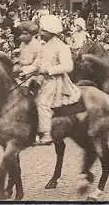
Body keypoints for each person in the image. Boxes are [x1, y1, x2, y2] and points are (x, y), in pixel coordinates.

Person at [34, 15, 80, 145]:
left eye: (43, 31)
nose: (40, 33)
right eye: (41, 30)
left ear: (51, 32)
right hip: (40, 78)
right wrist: (26, 70)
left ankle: (47, 133)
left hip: (55, 80)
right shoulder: (43, 45)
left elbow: (68, 66)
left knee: (42, 103)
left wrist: (49, 70)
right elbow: (38, 61)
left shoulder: (61, 47)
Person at [13, 21, 41, 88]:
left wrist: (23, 70)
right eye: (22, 34)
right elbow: (21, 58)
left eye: (25, 34)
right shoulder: (23, 44)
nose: (22, 36)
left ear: (32, 34)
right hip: (21, 71)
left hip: (32, 74)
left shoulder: (37, 46)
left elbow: (37, 65)